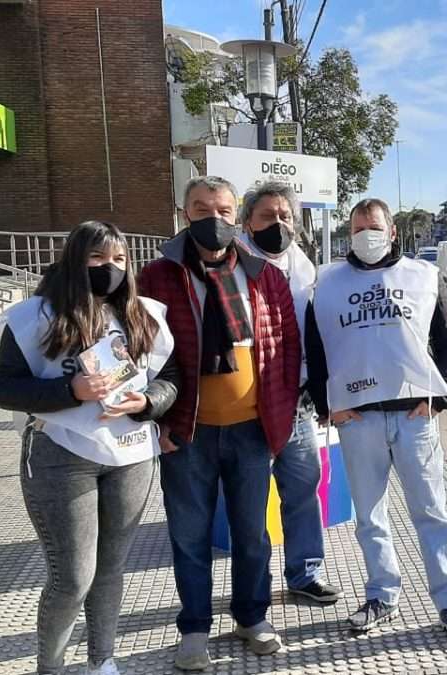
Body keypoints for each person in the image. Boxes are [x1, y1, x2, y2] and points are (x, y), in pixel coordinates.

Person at [0, 221, 180, 675]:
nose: (109, 268)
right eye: (97, 258)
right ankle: (50, 668)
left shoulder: (147, 314)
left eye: (118, 259)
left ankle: (102, 661)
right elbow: (3, 387)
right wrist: (69, 390)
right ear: (75, 260)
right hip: (61, 454)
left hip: (131, 455)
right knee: (73, 578)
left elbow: (170, 381)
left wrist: (148, 401)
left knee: (111, 570)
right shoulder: (34, 316)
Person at [137, 176, 301, 671]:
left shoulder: (263, 274)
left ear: (236, 216)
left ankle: (253, 617)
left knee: (253, 534)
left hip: (252, 432)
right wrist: (156, 422)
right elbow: (139, 353)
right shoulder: (158, 277)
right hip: (186, 433)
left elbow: (287, 347)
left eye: (224, 209)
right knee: (189, 536)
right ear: (184, 212)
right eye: (202, 207)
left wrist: (281, 415)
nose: (214, 217)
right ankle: (194, 628)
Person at [304, 198, 447, 645]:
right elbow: (315, 351)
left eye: (374, 226)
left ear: (392, 231)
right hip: (357, 420)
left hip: (414, 417)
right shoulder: (327, 284)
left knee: (432, 512)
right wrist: (328, 409)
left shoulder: (422, 278)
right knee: (369, 517)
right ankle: (382, 594)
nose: (367, 234)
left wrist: (439, 399)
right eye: (359, 226)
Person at [238, 181, 342, 604]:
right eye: (268, 216)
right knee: (248, 502)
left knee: (302, 491)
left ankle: (305, 573)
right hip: (247, 403)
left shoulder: (305, 265)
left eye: (285, 216)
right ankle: (252, 584)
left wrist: (321, 395)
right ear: (247, 222)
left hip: (296, 401)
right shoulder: (233, 265)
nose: (278, 224)